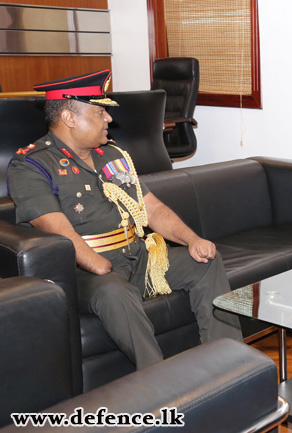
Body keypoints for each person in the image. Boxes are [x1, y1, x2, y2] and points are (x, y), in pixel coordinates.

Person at [7, 70, 242, 370]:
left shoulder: (112, 154)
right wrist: (95, 263)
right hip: (83, 272)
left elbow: (152, 209)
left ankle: (231, 363)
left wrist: (192, 240)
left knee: (208, 262)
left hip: (138, 256)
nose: (108, 118)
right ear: (69, 118)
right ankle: (158, 382)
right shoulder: (32, 164)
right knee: (114, 291)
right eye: (99, 111)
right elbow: (52, 225)